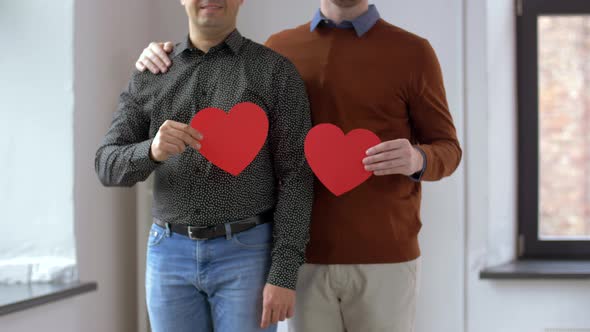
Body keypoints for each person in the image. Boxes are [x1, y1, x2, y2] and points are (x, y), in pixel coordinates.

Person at [135, 1, 462, 331]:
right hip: (301, 261)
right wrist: (163, 56)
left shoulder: (413, 52)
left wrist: (418, 159)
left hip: (385, 259)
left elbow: (449, 149)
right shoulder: (279, 50)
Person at [95, 0, 314, 331]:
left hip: (248, 256)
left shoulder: (274, 72)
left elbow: (297, 177)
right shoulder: (153, 72)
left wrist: (283, 273)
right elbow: (106, 165)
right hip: (168, 256)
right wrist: (151, 151)